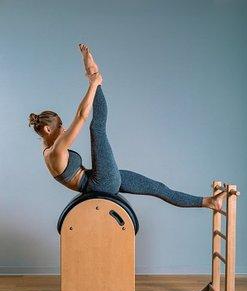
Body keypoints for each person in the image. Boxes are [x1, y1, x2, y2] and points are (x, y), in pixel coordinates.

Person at [28, 43, 226, 210]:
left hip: (102, 180)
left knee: (157, 187)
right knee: (96, 128)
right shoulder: (56, 151)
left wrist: (90, 70)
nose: (63, 129)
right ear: (47, 129)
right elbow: (81, 115)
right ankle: (93, 77)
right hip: (101, 183)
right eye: (60, 126)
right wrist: (93, 84)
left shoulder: (46, 145)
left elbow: (59, 123)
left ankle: (209, 202)